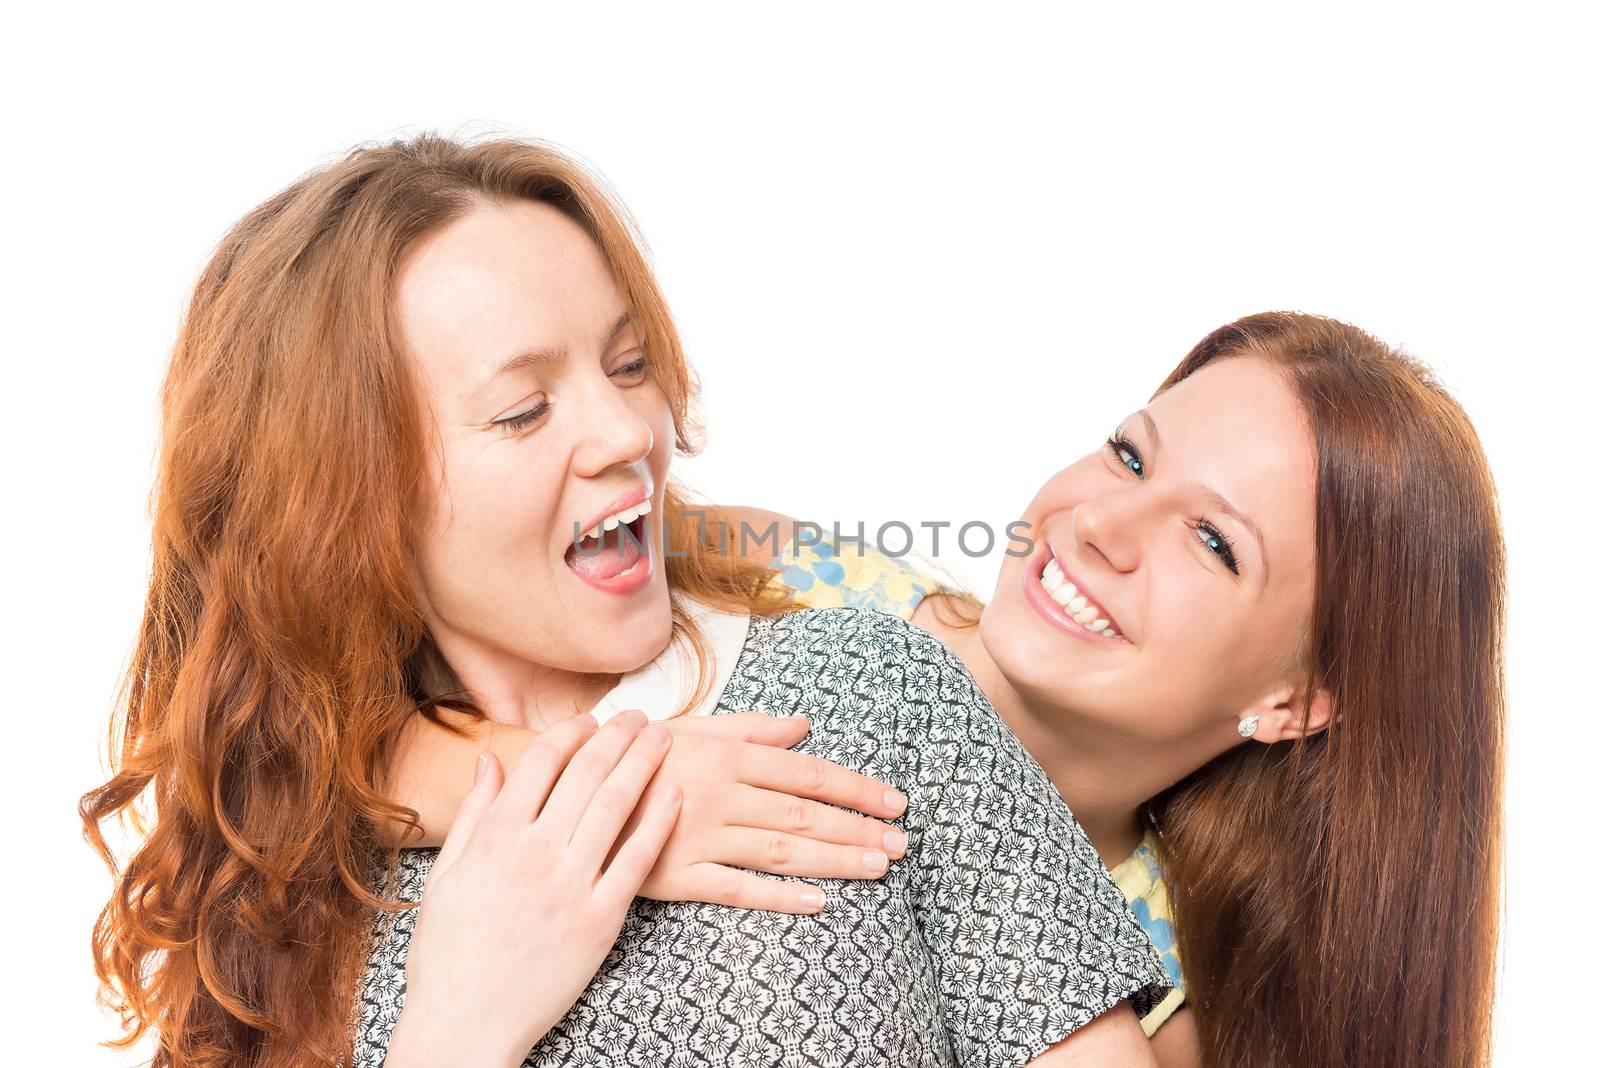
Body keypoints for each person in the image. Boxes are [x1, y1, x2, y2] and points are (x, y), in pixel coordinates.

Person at [79, 131, 1169, 1068]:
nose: (625, 435)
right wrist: (459, 1026)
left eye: (630, 362)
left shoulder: (865, 693)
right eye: (521, 412)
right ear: (342, 501)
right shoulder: (286, 872)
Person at [393, 311, 1507, 1067]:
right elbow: (304, 711)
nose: (1101, 526)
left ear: (1297, 699)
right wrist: (607, 798)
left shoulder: (1160, 993)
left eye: (1212, 542)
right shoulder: (796, 582)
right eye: (1128, 456)